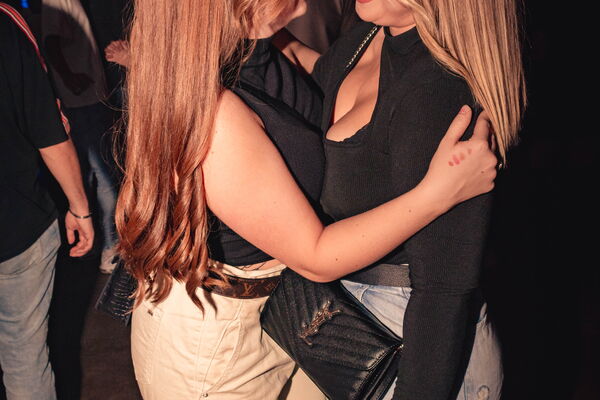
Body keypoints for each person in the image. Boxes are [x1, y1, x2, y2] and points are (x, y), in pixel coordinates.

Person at [117, 1, 497, 399]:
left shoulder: (254, 47)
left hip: (287, 314)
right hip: (215, 341)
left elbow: (325, 77)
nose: (302, 10)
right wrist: (437, 194)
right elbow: (316, 256)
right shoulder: (214, 116)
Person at [279, 1, 525, 399]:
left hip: (415, 347)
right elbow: (322, 76)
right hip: (358, 328)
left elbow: (443, 291)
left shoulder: (439, 88)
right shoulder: (372, 36)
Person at [0, 4, 94, 399]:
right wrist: (80, 208)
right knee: (24, 355)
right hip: (15, 227)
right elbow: (49, 131)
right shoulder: (6, 23)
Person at [42, 0, 118, 274]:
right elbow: (50, 42)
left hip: (89, 97)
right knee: (104, 176)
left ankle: (97, 243)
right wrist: (70, 78)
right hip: (82, 100)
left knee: (93, 174)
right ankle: (110, 248)